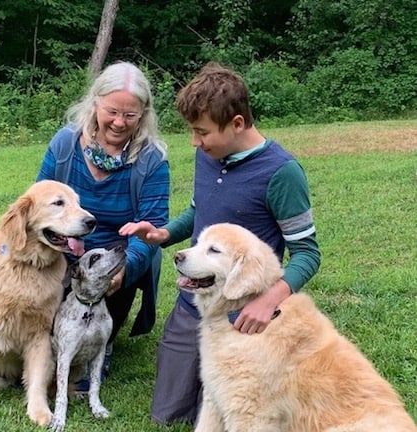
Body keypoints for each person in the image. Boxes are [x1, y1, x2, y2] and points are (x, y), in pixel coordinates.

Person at [119, 62, 321, 425]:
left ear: (237, 124)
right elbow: (200, 209)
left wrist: (268, 301)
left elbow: (307, 252)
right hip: (195, 302)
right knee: (167, 414)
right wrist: (164, 234)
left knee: (232, 411)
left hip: (245, 312)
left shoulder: (283, 173)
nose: (195, 142)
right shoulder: (208, 155)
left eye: (202, 133)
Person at [36, 61, 170, 390]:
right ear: (95, 102)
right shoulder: (65, 146)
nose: (119, 122)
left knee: (116, 268)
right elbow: (40, 202)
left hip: (115, 256)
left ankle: (101, 345)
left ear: (144, 114)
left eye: (130, 115)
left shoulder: (152, 161)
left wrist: (123, 269)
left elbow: (151, 231)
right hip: (63, 252)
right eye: (111, 111)